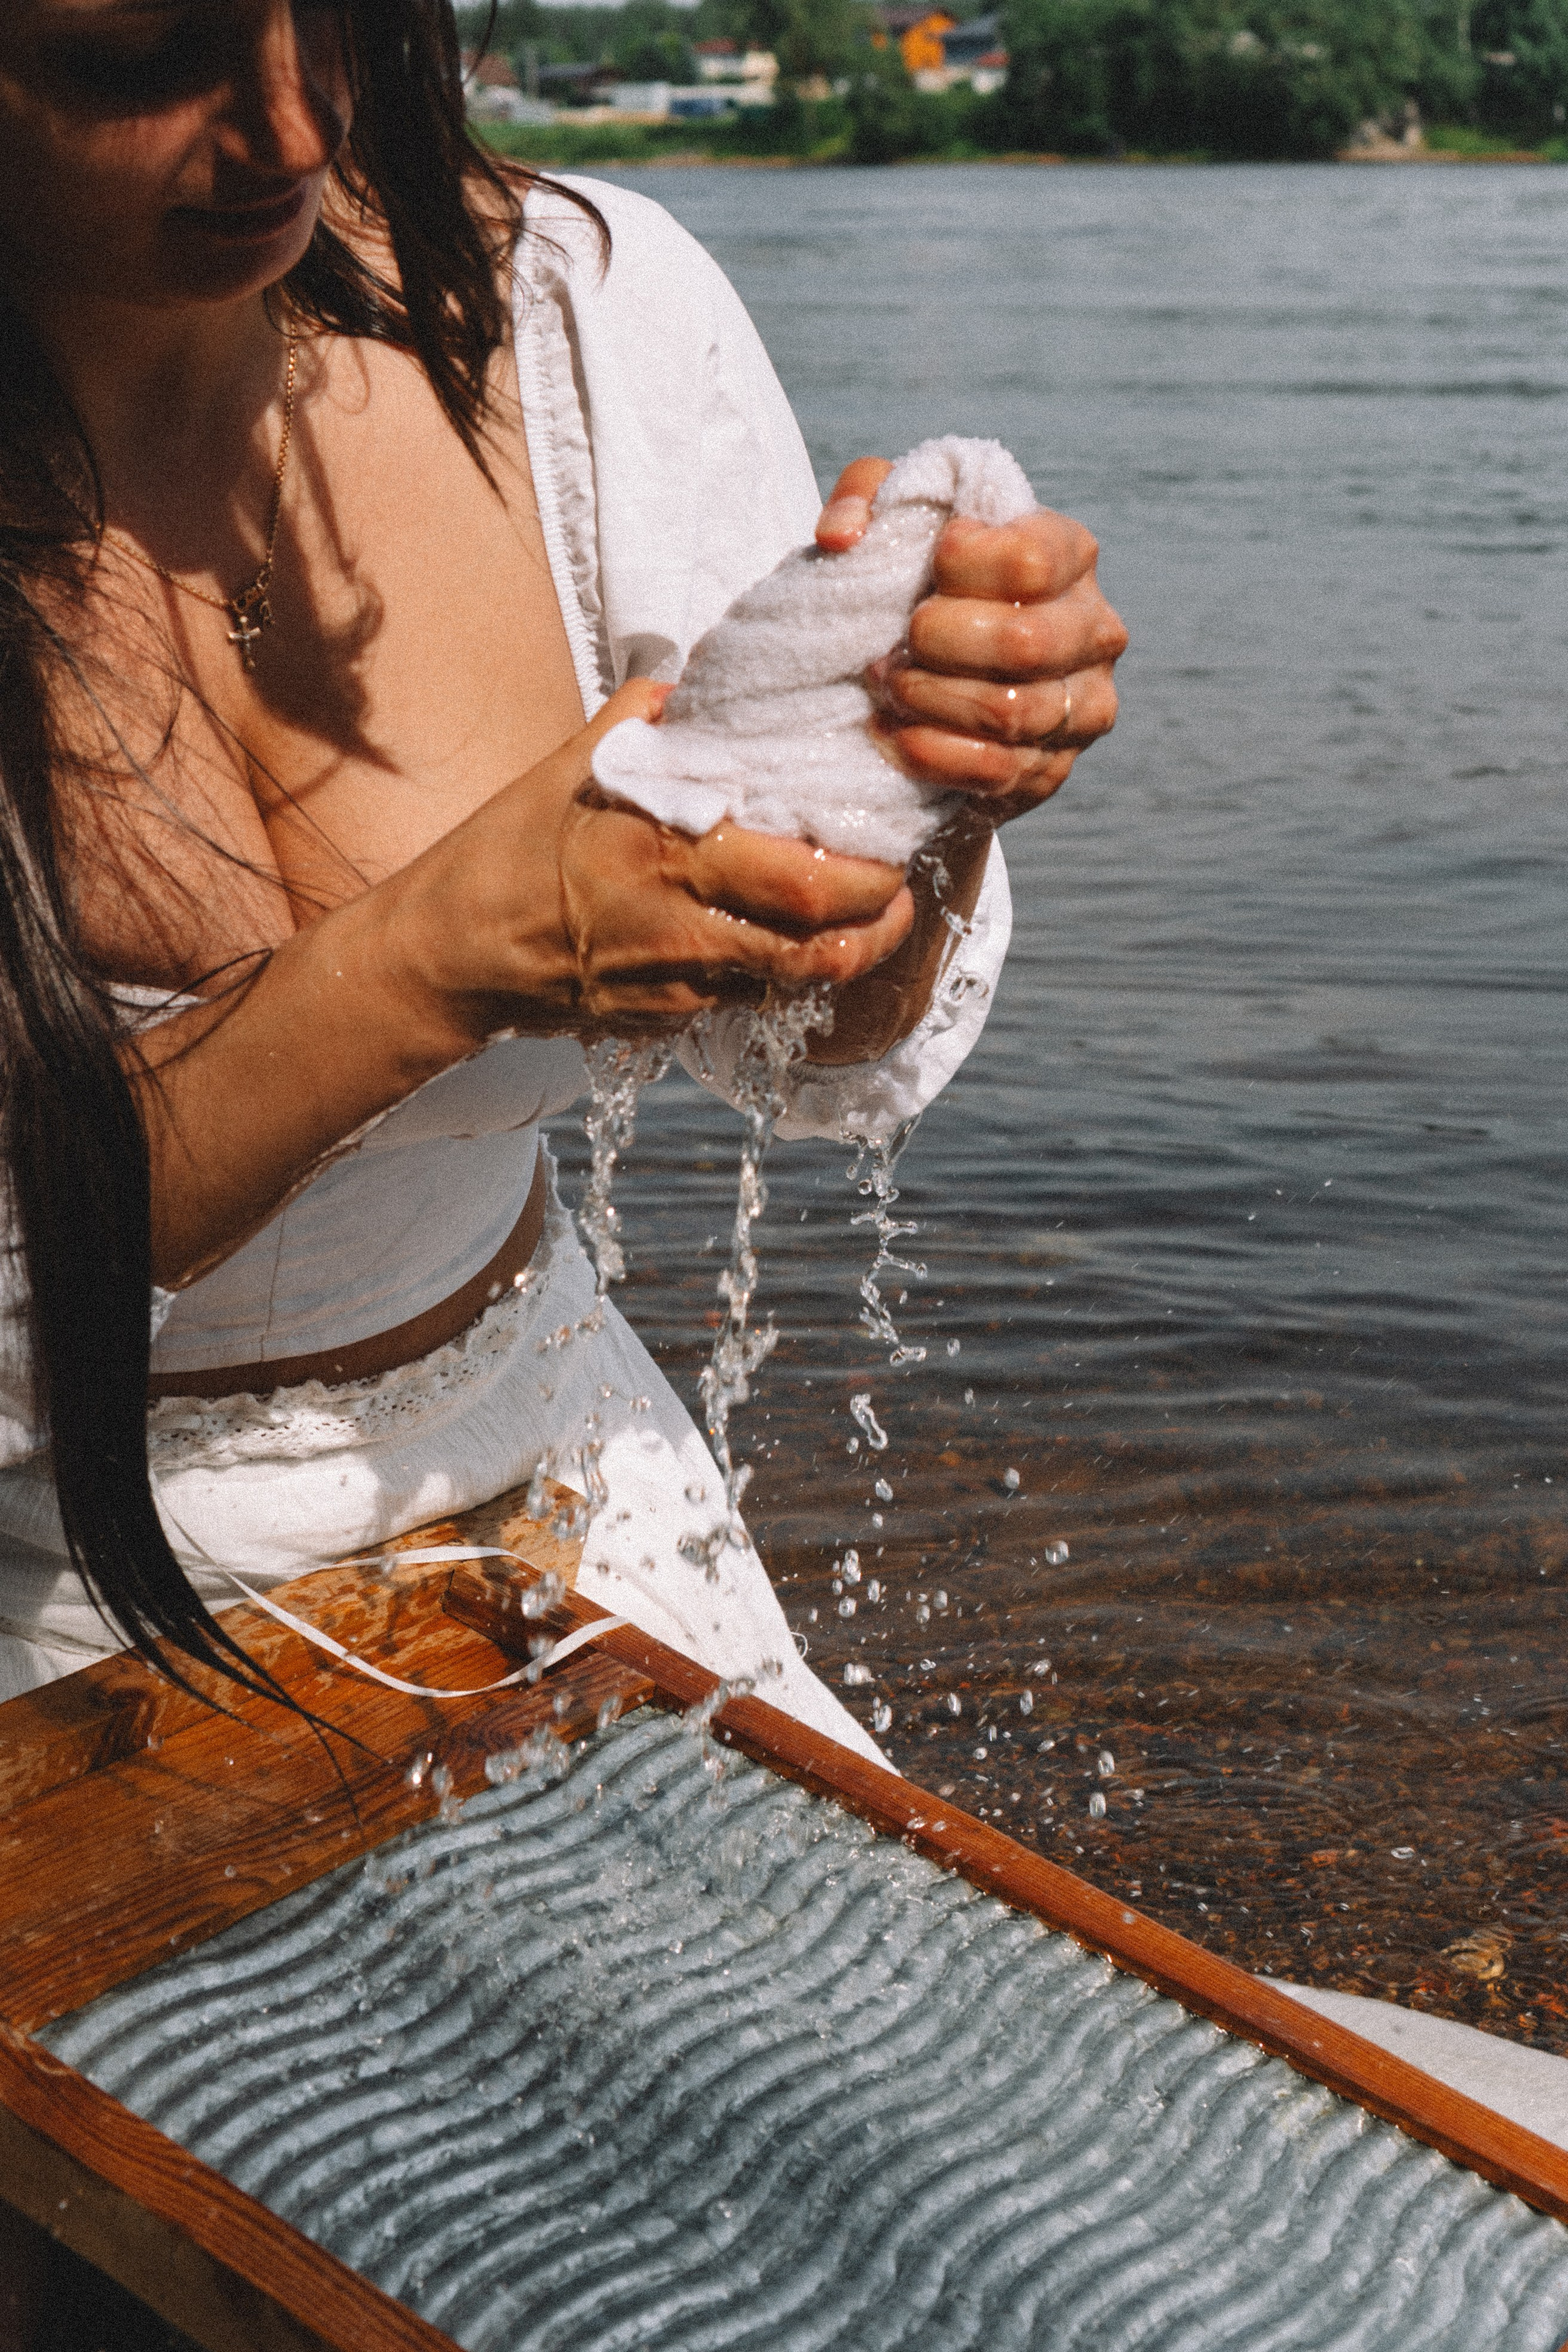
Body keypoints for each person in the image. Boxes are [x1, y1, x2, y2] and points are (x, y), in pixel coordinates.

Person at [0, 0, 1128, 1755]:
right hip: (58, 1592)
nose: (292, 132)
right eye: (145, 54)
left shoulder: (575, 313)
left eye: (338, 13)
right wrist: (435, 961)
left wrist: (927, 784)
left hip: (572, 1482)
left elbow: (813, 1051)